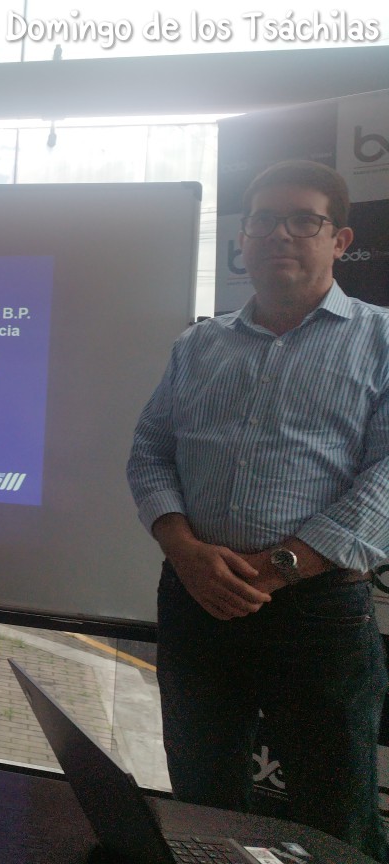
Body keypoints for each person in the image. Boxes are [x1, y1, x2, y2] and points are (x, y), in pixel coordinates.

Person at [127, 159, 389, 862]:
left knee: (334, 815)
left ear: (340, 239)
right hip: (197, 599)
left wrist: (278, 568)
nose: (281, 234)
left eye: (305, 220)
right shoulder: (198, 345)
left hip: (317, 612)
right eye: (265, 221)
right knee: (202, 800)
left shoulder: (381, 340)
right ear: (243, 239)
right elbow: (149, 453)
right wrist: (184, 550)